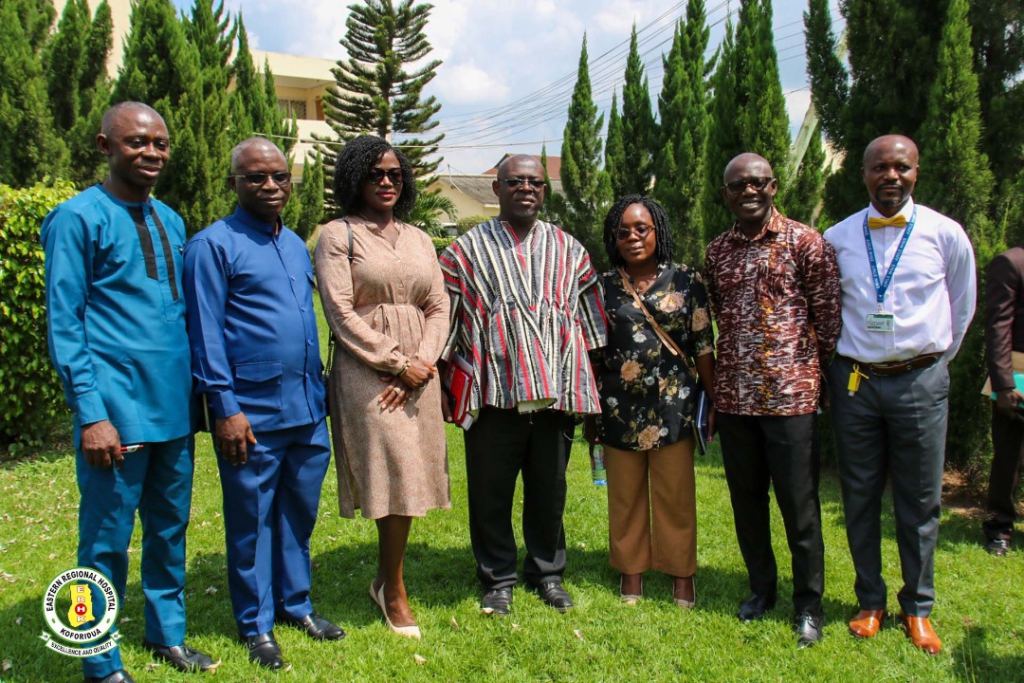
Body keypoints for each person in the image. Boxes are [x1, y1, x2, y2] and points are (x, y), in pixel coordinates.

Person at [42, 102, 217, 683]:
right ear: (104, 146)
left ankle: (166, 635)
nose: (152, 153)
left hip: (174, 413)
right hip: (115, 415)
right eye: (137, 142)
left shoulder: (170, 219)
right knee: (104, 544)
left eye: (161, 143)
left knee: (170, 531)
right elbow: (65, 324)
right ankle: (97, 660)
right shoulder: (76, 218)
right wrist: (91, 414)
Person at [183, 138, 342, 671]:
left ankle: (296, 605)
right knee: (252, 522)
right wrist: (224, 409)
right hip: (250, 414)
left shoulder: (295, 243)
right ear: (234, 183)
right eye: (255, 178)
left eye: (278, 176)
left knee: (298, 516)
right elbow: (204, 334)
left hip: (306, 408)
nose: (270, 186)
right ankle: (256, 626)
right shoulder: (213, 245)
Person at [824, 134, 976, 655]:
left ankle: (918, 608)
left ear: (916, 172)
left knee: (919, 499)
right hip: (856, 383)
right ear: (863, 173)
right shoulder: (838, 237)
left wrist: (930, 365)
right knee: (859, 495)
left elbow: (962, 304)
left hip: (920, 379)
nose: (891, 177)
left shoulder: (944, 234)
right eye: (880, 168)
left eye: (902, 168)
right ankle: (869, 601)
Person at [439, 155, 608, 616]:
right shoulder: (464, 249)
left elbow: (591, 321)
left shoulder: (569, 248)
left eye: (535, 182)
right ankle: (497, 578)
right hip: (495, 389)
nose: (526, 189)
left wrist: (592, 388)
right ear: (496, 188)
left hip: (556, 387)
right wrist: (440, 375)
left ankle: (547, 572)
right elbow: (444, 314)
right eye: (515, 181)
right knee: (491, 489)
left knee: (549, 488)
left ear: (545, 190)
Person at [314, 135, 450, 640]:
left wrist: (422, 361)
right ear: (355, 179)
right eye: (375, 174)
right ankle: (392, 590)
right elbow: (340, 313)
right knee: (392, 470)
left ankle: (386, 579)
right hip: (367, 370)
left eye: (395, 173)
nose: (388, 181)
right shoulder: (336, 235)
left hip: (420, 371)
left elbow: (438, 304)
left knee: (411, 472)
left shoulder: (419, 238)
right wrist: (395, 363)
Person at [704, 153, 841, 649]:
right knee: (747, 504)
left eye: (758, 183)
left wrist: (809, 377)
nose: (749, 192)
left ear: (774, 186)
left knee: (799, 508)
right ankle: (761, 590)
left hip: (791, 400)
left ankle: (809, 605)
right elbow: (720, 314)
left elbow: (827, 320)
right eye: (738, 185)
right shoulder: (717, 251)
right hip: (737, 400)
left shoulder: (806, 242)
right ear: (726, 193)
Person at [590, 195, 715, 608]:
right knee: (624, 495)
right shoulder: (603, 286)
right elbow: (593, 350)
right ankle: (631, 572)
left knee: (675, 495)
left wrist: (712, 400)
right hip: (618, 407)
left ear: (657, 231)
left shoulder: (686, 280)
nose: (632, 237)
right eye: (623, 231)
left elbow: (702, 345)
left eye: (641, 228)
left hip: (673, 407)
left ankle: (681, 575)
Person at [981, 244, 1024, 557]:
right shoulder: (1011, 263)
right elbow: (998, 327)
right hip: (1018, 377)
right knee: (1009, 459)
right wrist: (1003, 383)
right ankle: (999, 528)